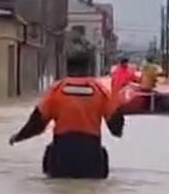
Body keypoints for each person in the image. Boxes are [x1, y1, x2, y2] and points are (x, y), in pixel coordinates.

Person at [9, 48, 125, 178]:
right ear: (89, 68)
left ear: (67, 68)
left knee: (50, 153)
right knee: (102, 155)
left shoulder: (56, 90)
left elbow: (36, 124)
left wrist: (18, 137)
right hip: (91, 157)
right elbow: (116, 128)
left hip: (61, 157)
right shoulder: (100, 91)